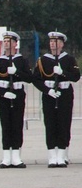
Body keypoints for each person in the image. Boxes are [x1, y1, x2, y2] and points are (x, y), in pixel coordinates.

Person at [32, 31, 81, 168]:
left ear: (62, 44)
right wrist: (47, 90)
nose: (53, 44)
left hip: (64, 94)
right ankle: (52, 155)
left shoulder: (68, 59)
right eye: (51, 42)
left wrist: (63, 73)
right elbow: (35, 79)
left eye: (56, 42)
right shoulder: (43, 60)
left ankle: (61, 154)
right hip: (50, 95)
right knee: (50, 123)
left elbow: (76, 76)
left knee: (63, 123)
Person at [0, 31, 33, 169]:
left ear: (15, 43)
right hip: (4, 97)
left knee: (17, 124)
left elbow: (29, 78)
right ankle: (6, 156)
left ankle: (16, 156)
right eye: (5, 41)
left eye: (9, 41)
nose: (6, 44)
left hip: (18, 95)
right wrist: (3, 93)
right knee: (6, 125)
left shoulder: (21, 61)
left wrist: (17, 72)